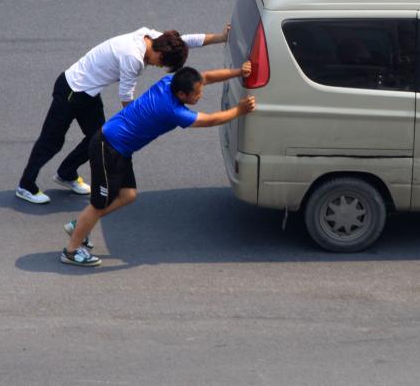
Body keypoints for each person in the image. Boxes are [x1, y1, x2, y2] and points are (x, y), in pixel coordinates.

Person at [61, 63, 255, 266]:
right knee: (99, 204)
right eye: (197, 93)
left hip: (119, 148)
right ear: (182, 94)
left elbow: (206, 76)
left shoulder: (169, 82)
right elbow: (211, 120)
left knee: (128, 195)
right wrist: (239, 110)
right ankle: (71, 251)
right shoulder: (173, 111)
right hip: (108, 148)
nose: (201, 95)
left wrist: (239, 72)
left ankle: (80, 225)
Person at [16, 25, 230, 204]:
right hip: (72, 90)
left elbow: (186, 41)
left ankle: (66, 173)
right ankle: (26, 185)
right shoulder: (133, 58)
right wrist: (141, 122)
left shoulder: (153, 37)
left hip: (89, 92)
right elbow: (127, 98)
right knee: (52, 141)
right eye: (162, 63)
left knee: (97, 138)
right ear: (160, 54)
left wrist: (221, 38)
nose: (158, 67)